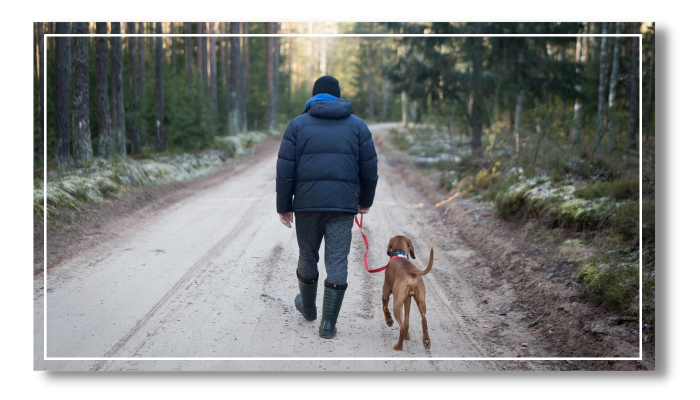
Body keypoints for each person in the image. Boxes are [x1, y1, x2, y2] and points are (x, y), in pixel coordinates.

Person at [276, 75, 378, 339]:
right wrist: (364, 200)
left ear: (313, 96)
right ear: (338, 96)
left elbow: (285, 172)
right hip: (342, 206)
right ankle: (328, 325)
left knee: (307, 255)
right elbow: (369, 169)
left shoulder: (296, 125)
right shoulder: (358, 126)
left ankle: (309, 308)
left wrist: (284, 207)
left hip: (307, 205)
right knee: (337, 259)